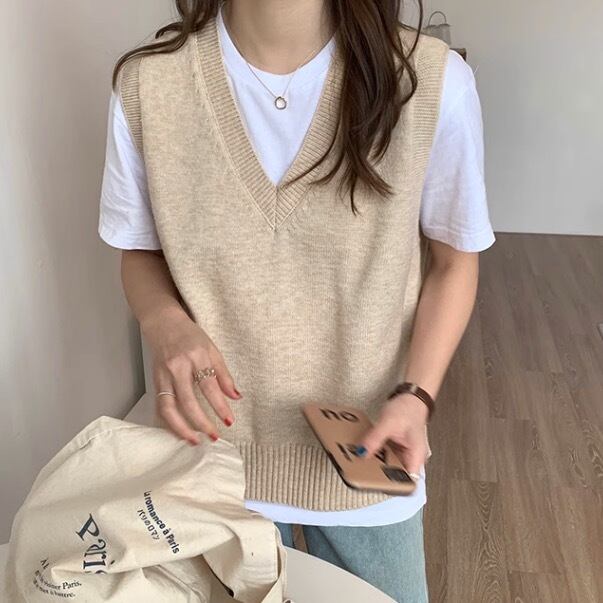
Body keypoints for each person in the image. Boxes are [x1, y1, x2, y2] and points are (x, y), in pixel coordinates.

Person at [98, 1, 495, 601]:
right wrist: (167, 325)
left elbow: (454, 261)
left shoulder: (430, 80)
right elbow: (139, 252)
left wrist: (417, 395)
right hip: (210, 462)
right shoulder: (148, 84)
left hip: (368, 456)